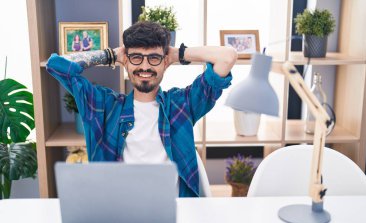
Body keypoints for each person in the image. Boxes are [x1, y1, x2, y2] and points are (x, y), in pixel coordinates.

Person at [46, 21, 237, 197]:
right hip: (119, 211)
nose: (145, 66)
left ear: (165, 62)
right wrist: (110, 55)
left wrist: (178, 54)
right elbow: (56, 66)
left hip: (175, 209)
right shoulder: (104, 105)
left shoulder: (183, 105)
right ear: (125, 60)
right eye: (136, 57)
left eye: (154, 58)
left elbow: (227, 57)